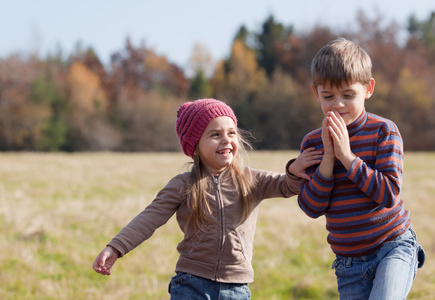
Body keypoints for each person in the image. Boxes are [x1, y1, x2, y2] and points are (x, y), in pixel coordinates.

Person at [93, 98, 322, 299]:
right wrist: (116, 248)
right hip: (191, 285)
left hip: (237, 287)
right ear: (195, 147)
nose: (226, 140)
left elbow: (287, 185)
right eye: (215, 135)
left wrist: (294, 169)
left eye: (231, 133)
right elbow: (149, 218)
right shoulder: (183, 185)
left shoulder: (251, 179)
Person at [293, 38, 426, 299]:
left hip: (393, 246)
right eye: (328, 96)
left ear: (368, 89)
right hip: (349, 263)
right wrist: (329, 159)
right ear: (315, 93)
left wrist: (347, 157)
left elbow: (389, 194)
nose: (338, 104)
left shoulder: (383, 131)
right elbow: (311, 207)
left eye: (348, 95)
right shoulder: (312, 142)